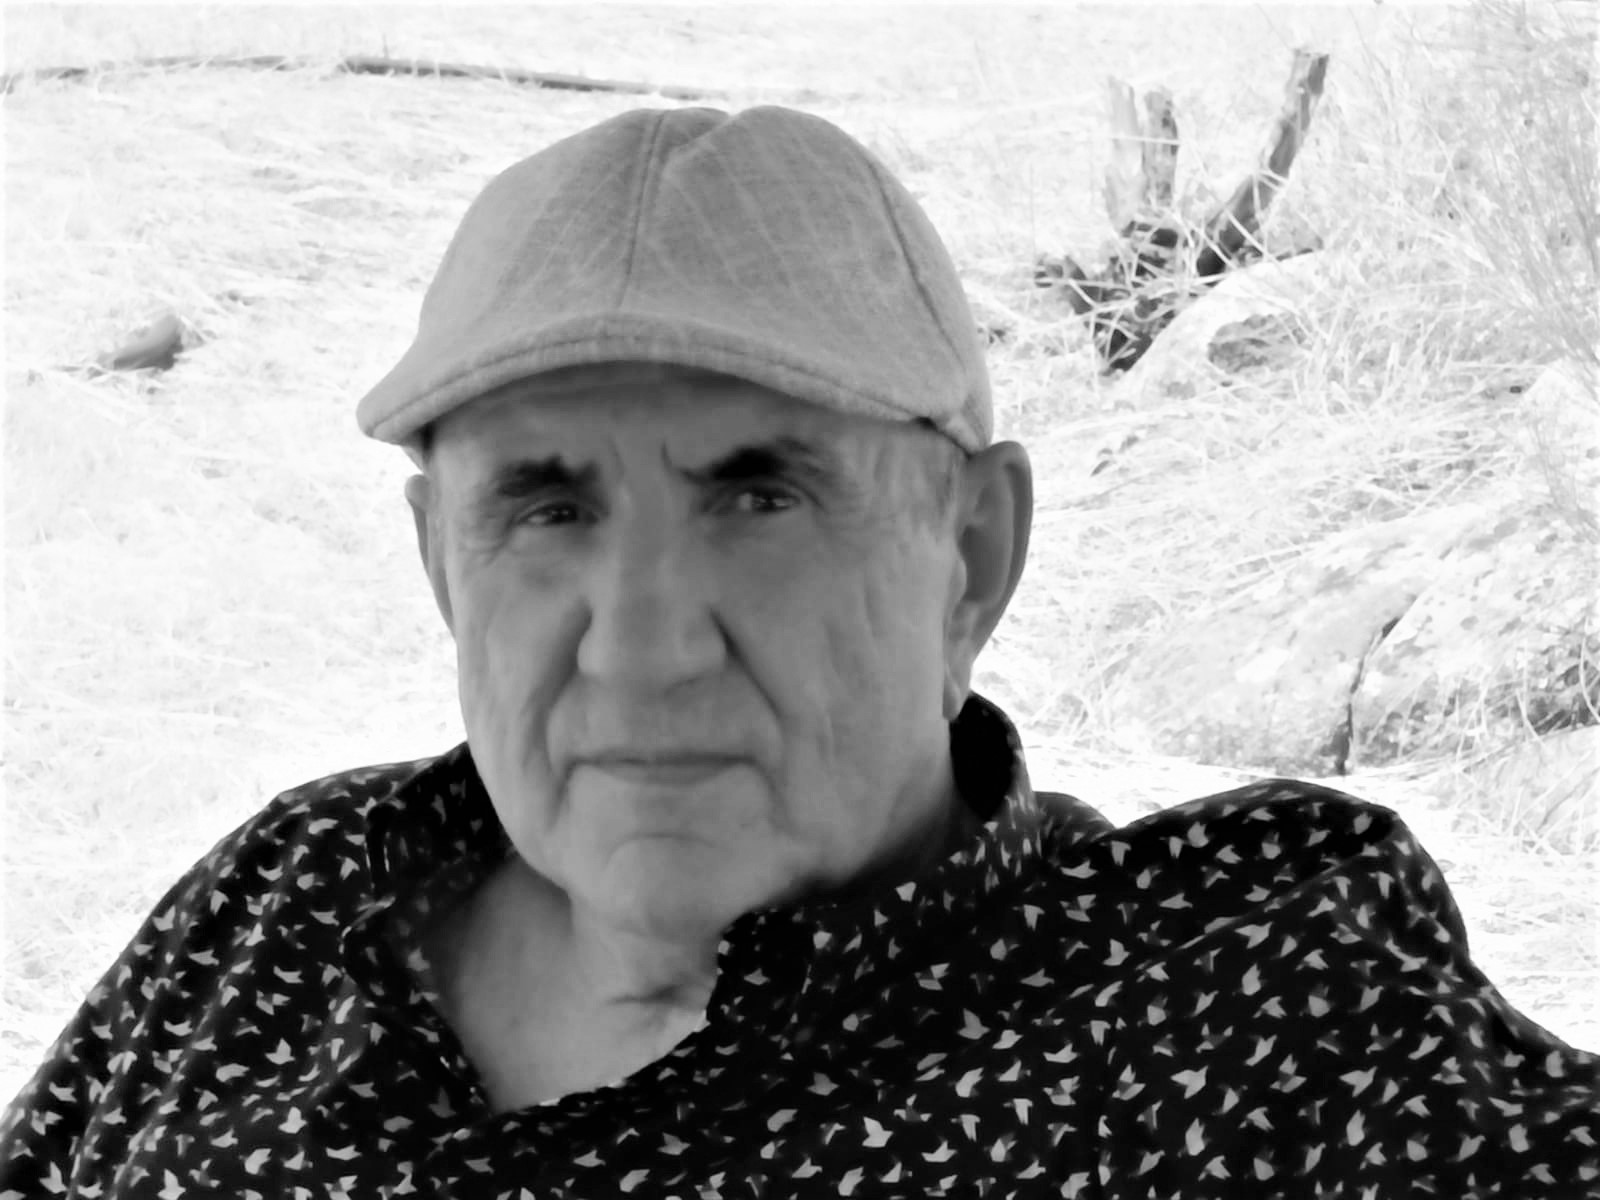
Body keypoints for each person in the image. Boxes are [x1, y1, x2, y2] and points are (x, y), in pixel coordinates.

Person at [2, 104, 1595, 1199]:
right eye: (546, 507)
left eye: (758, 496)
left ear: (970, 558)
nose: (641, 649)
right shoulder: (294, 892)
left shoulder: (1238, 1014)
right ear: (441, 566)